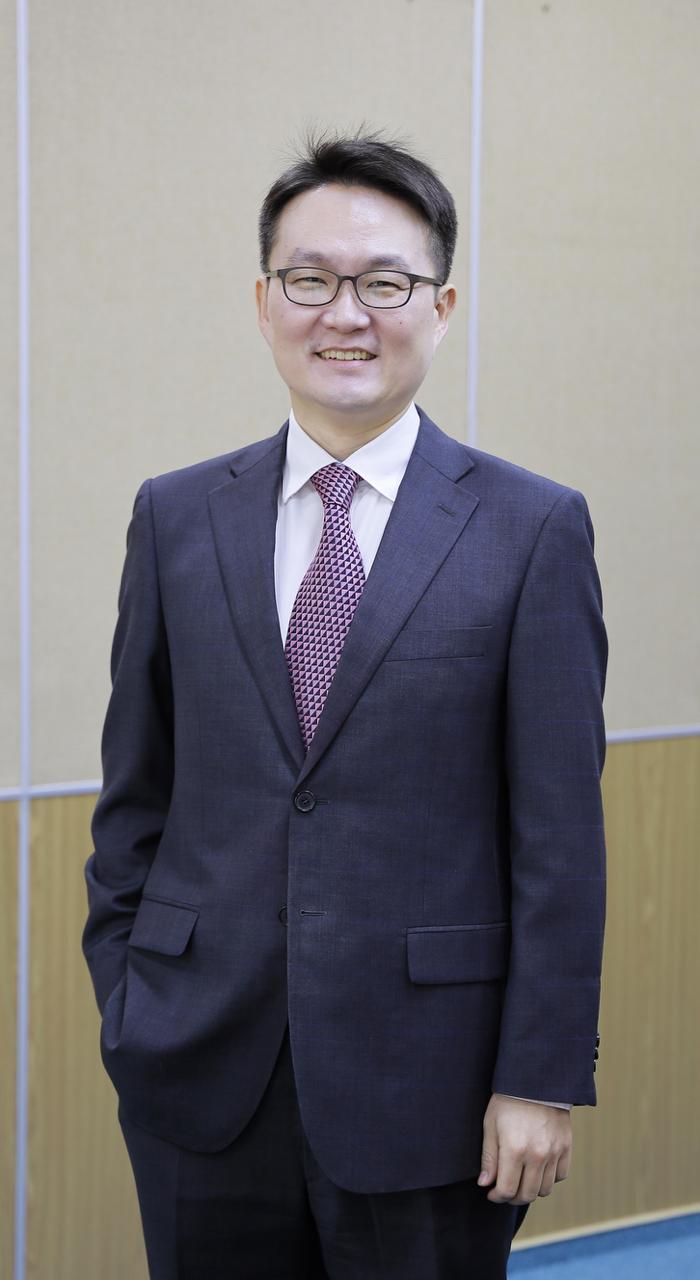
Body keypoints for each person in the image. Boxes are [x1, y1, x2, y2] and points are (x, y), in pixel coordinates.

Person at [82, 130, 607, 1279]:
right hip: (198, 1068)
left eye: (384, 284)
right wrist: (131, 1003)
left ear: (442, 306)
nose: (345, 314)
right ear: (263, 300)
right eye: (310, 279)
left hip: (434, 1085)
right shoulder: (176, 517)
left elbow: (559, 840)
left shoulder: (531, 529)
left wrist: (539, 1073)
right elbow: (136, 797)